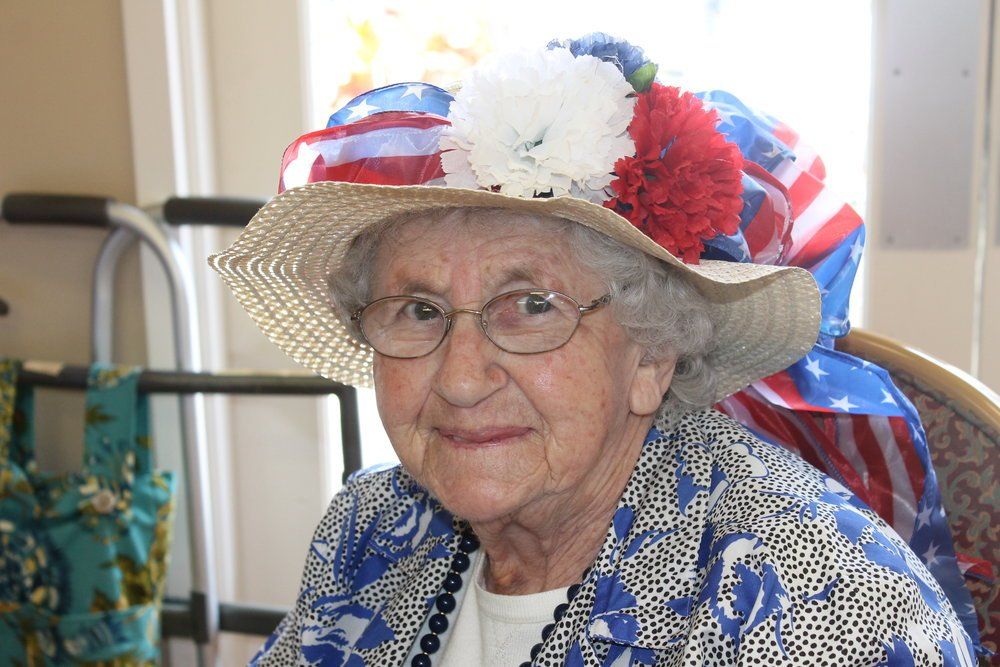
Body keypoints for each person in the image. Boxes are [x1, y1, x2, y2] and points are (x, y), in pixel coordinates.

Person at [210, 34, 976, 666]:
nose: (461, 377)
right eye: (419, 309)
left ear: (649, 355)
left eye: (532, 306)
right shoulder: (372, 530)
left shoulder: (823, 607)